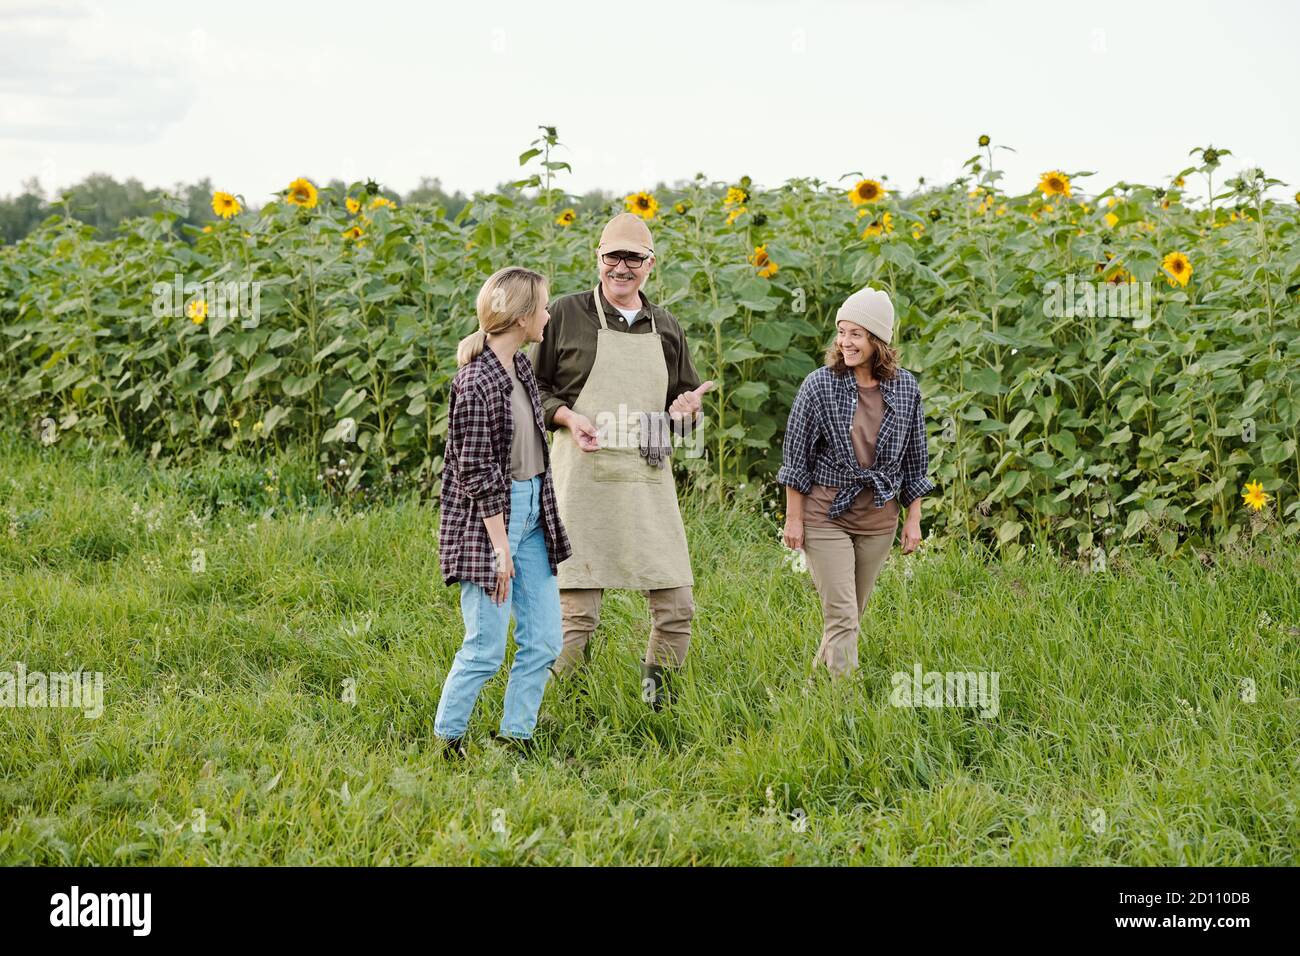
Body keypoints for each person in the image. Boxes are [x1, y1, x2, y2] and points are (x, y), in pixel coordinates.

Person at [531, 213, 713, 708]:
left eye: (633, 258)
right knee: (577, 617)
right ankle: (554, 713)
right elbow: (532, 390)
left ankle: (657, 704)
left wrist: (686, 412)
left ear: (650, 265)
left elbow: (681, 405)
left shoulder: (668, 328)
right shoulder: (564, 315)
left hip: (647, 481)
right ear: (598, 258)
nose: (622, 267)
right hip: (582, 481)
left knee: (676, 606)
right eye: (613, 256)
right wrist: (566, 416)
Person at [434, 266, 571, 755]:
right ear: (521, 316)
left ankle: (517, 737)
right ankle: (447, 741)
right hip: (492, 519)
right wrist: (499, 548)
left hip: (533, 510)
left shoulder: (522, 370)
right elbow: (475, 472)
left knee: (544, 640)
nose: (548, 315)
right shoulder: (475, 382)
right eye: (543, 307)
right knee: (486, 647)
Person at [777, 285, 936, 678]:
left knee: (848, 617)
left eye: (855, 334)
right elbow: (796, 456)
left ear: (877, 340)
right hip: (825, 513)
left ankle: (814, 691)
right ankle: (844, 708)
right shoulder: (819, 385)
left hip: (879, 519)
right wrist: (793, 519)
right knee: (843, 615)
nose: (844, 342)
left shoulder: (906, 388)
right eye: (842, 332)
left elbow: (917, 460)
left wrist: (913, 520)